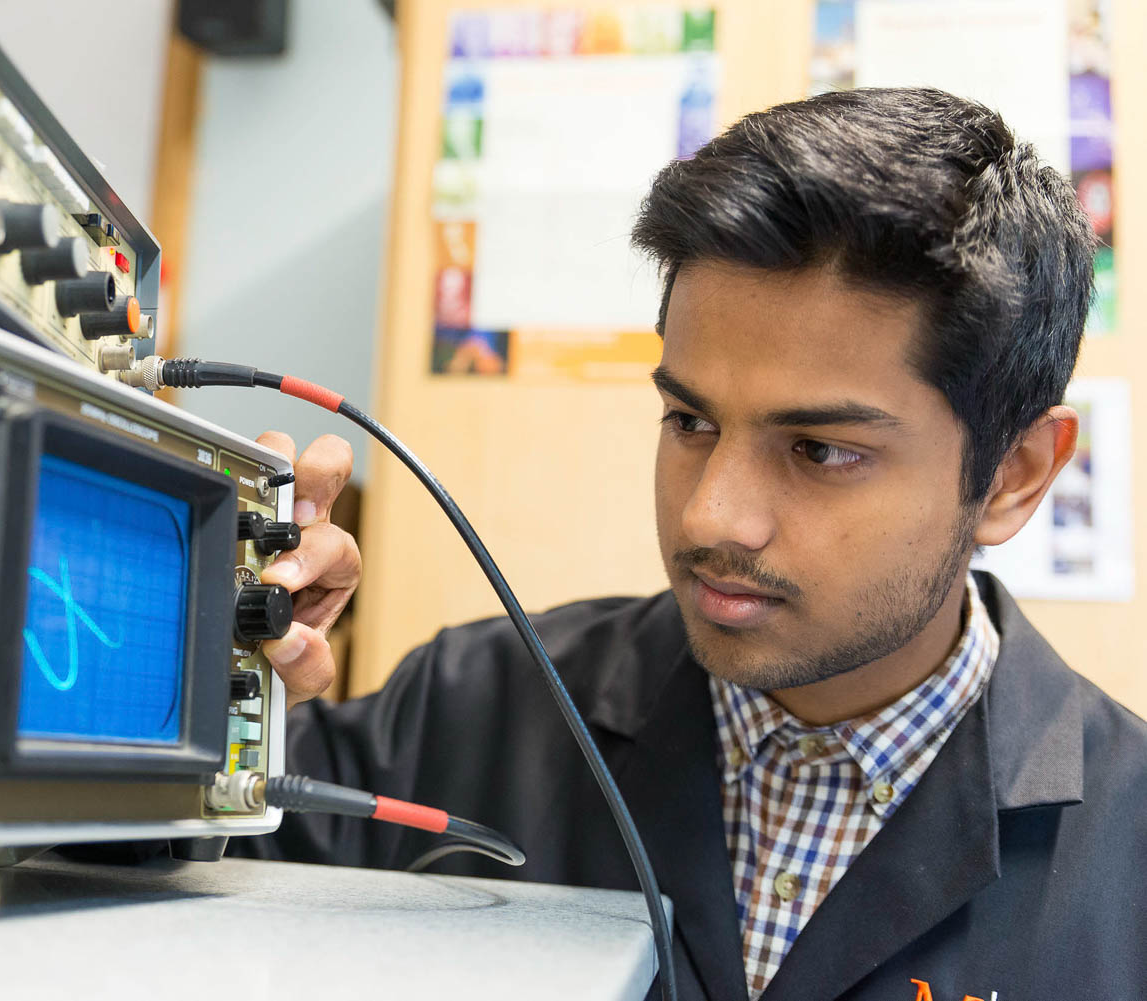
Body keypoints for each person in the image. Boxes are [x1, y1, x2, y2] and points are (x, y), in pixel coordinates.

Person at [239, 88, 1147, 1000]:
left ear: (1015, 472)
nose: (711, 516)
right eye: (690, 420)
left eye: (821, 450)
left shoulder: (1128, 847)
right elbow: (147, 875)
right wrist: (215, 662)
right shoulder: (470, 709)